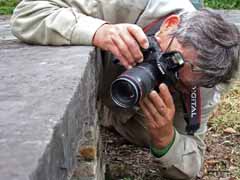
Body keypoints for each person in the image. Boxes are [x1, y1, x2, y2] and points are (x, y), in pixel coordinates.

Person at [11, 0, 240, 179]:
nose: (167, 79)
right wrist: (99, 31)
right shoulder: (127, 4)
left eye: (181, 83)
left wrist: (166, 138)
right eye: (172, 62)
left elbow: (193, 162)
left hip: (126, 115)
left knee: (151, 132)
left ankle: (111, 116)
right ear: (170, 25)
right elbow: (27, 13)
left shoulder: (204, 80)